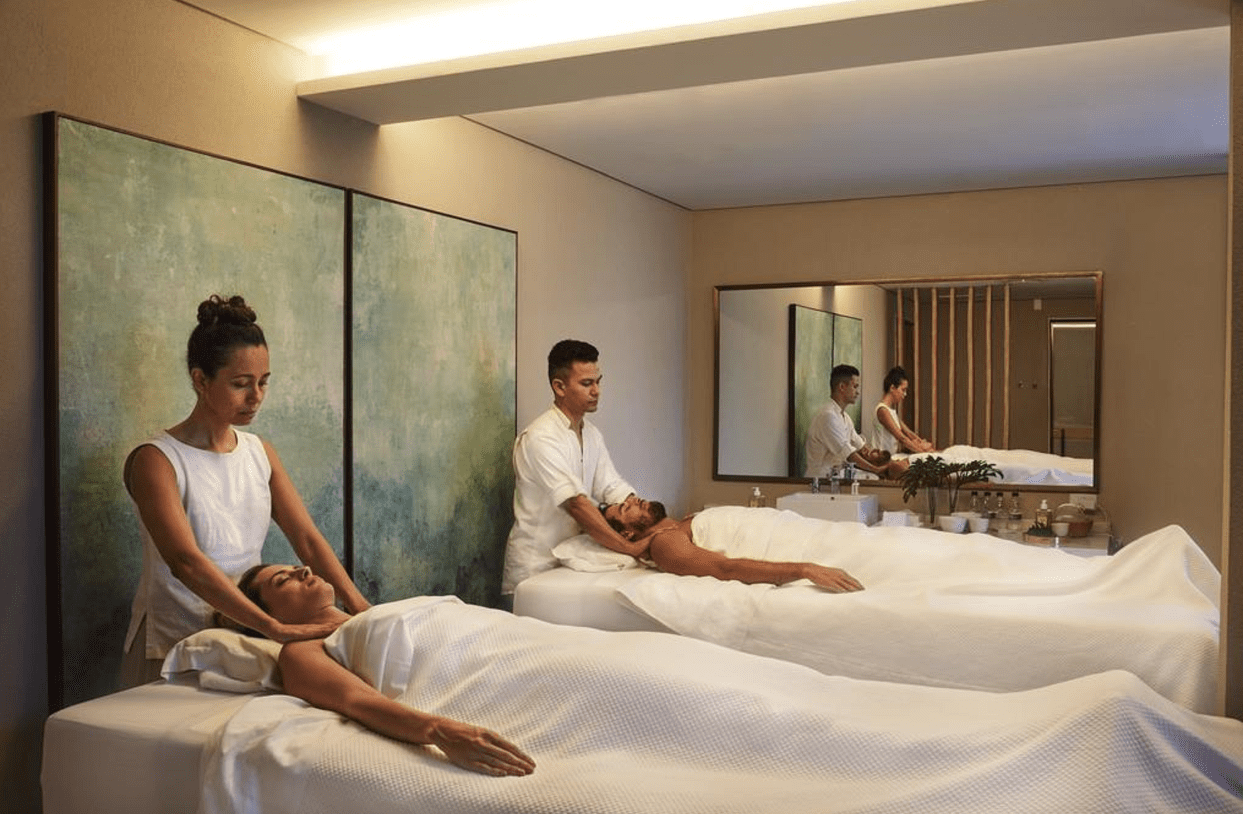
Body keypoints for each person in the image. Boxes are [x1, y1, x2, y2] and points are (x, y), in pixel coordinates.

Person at [121, 294, 370, 688]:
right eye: (240, 384)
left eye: (263, 382)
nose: (256, 397)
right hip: (173, 646)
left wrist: (361, 610)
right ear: (200, 380)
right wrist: (272, 626)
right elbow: (185, 561)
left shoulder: (258, 453)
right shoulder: (157, 460)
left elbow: (306, 538)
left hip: (245, 642)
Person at [239, 563, 536, 778]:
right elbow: (356, 701)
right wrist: (439, 731)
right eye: (283, 580)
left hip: (516, 641)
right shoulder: (300, 651)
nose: (303, 569)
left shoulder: (371, 615)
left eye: (294, 566)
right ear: (267, 616)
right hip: (497, 674)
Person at [502, 339, 642, 594]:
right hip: (535, 569)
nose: (597, 390)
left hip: (570, 565)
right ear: (559, 387)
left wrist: (645, 513)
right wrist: (629, 547)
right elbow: (576, 504)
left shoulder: (591, 435)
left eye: (598, 381)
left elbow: (612, 487)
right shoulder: (540, 437)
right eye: (587, 383)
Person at [603, 495, 864, 593]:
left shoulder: (682, 522)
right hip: (802, 550)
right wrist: (805, 570)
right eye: (625, 508)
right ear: (626, 535)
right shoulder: (664, 544)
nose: (633, 499)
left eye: (628, 498)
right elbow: (726, 569)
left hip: (809, 532)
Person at [803, 364, 908, 480]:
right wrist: (875, 469)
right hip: (820, 480)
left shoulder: (845, 418)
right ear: (842, 387)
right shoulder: (827, 416)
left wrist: (883, 459)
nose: (857, 392)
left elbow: (861, 446)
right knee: (874, 477)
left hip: (835, 478)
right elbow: (849, 454)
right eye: (855, 387)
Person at [872, 366, 934, 454]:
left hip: (892, 456)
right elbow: (902, 438)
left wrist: (922, 443)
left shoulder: (890, 411)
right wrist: (923, 453)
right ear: (892, 388)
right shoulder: (882, 410)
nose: (904, 394)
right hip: (883, 459)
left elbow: (908, 433)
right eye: (903, 390)